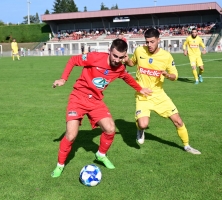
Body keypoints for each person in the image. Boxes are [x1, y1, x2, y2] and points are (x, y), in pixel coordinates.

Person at [50, 39, 152, 178]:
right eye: (115, 56)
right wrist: (63, 79)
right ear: (110, 51)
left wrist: (140, 89)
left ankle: (101, 155)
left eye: (121, 57)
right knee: (71, 135)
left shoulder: (120, 68)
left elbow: (127, 78)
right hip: (78, 97)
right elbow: (73, 60)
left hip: (96, 100)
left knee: (110, 128)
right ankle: (60, 165)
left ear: (125, 56)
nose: (117, 60)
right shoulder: (95, 57)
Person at [124, 28, 201, 155]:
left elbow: (175, 76)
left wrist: (167, 75)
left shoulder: (166, 56)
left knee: (178, 121)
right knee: (143, 124)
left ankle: (187, 146)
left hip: (159, 95)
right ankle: (140, 130)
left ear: (159, 40)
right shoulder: (139, 50)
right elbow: (132, 62)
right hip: (142, 94)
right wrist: (127, 60)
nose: (149, 45)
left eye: (152, 42)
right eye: (147, 42)